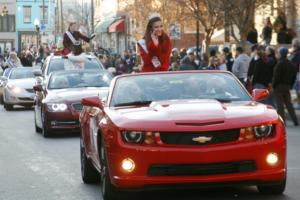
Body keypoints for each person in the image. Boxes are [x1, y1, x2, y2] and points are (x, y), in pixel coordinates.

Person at [272, 47, 299, 126]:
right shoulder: (290, 64)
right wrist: (290, 84)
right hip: (287, 86)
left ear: (281, 54)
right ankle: (295, 121)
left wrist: (274, 85)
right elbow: (294, 75)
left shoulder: (279, 64)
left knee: (280, 105)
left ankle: (282, 122)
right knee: (289, 105)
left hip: (279, 86)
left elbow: (276, 77)